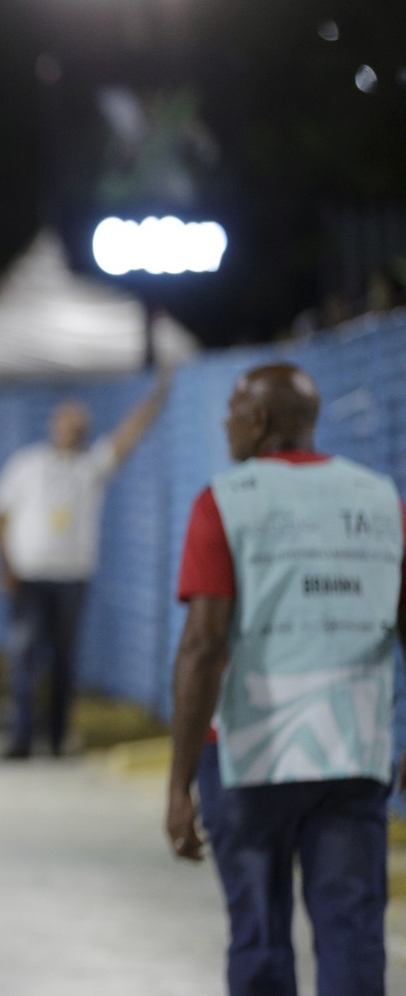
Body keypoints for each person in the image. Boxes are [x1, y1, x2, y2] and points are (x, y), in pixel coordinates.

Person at [166, 363, 405, 996]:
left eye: (233, 411)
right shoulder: (381, 499)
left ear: (259, 421)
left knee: (261, 938)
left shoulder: (227, 501)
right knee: (352, 933)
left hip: (249, 759)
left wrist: (179, 781)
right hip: (353, 753)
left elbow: (202, 648)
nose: (225, 423)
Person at [0, 372, 170, 759]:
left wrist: (157, 396)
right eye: (68, 421)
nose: (73, 429)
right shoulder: (28, 464)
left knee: (64, 660)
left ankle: (56, 738)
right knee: (24, 657)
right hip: (30, 577)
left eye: (79, 423)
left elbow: (127, 438)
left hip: (72, 579)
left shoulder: (90, 468)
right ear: (55, 425)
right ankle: (21, 738)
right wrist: (5, 565)